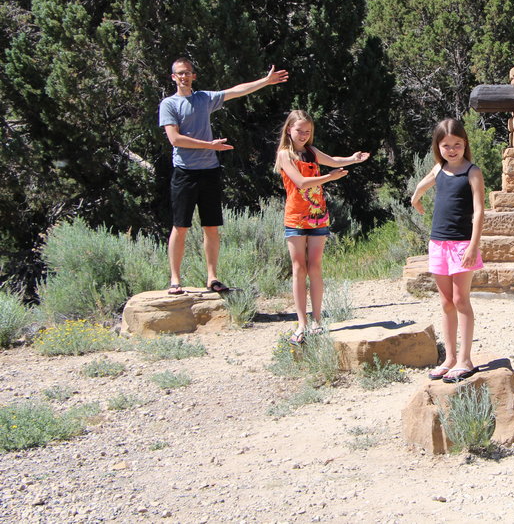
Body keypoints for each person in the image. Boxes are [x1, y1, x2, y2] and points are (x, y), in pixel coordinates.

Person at [158, 57, 288, 295]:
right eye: (179, 73)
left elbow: (236, 91)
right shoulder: (169, 104)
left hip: (209, 171)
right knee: (180, 227)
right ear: (173, 77)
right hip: (184, 172)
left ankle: (212, 278)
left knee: (211, 227)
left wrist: (266, 81)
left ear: (194, 75)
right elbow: (175, 139)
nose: (184, 77)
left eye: (187, 72)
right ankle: (175, 280)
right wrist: (209, 146)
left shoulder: (203, 99)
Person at [275, 110, 370, 345]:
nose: (304, 135)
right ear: (289, 130)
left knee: (315, 267)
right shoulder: (284, 155)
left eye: (308, 132)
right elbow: (300, 182)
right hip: (296, 218)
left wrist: (352, 159)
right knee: (299, 268)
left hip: (318, 217)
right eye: (299, 131)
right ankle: (301, 323)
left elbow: (333, 160)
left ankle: (317, 321)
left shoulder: (312, 152)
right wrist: (330, 177)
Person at [410, 118, 485, 383]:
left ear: (465, 144)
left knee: (461, 300)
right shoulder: (439, 169)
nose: (452, 149)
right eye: (446, 145)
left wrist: (473, 246)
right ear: (437, 147)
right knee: (445, 302)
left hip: (463, 244)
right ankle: (450, 358)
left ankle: (466, 359)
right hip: (438, 244)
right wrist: (415, 198)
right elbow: (424, 182)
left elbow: (479, 212)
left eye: (457, 144)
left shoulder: (472, 172)